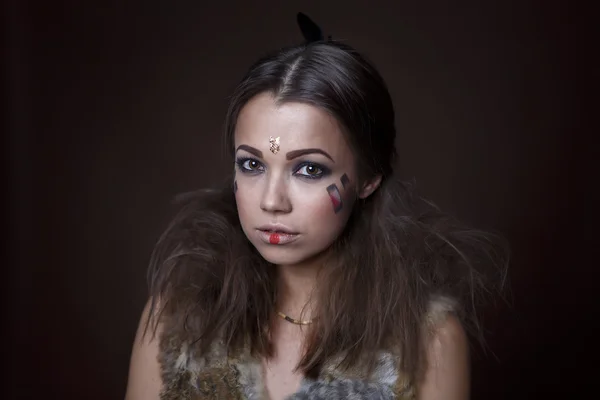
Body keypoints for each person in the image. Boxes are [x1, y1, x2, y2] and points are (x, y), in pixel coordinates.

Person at [125, 38, 508, 400]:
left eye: (309, 169)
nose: (272, 201)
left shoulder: (427, 340)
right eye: (252, 164)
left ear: (368, 178)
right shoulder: (176, 320)